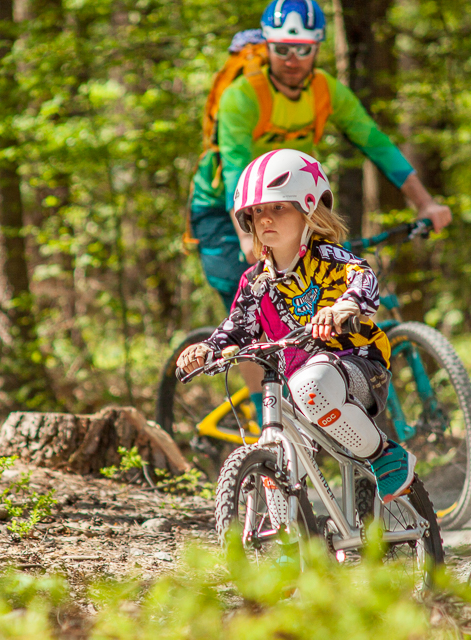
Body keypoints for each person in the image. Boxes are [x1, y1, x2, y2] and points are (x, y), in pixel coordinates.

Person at [188, 0, 451, 422]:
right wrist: (247, 236)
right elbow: (236, 166)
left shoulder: (326, 90)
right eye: (282, 49)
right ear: (267, 47)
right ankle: (268, 429)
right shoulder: (244, 95)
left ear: (317, 48)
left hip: (289, 199)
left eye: (303, 49)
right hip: (227, 208)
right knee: (256, 311)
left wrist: (425, 202)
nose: (292, 59)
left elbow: (374, 141)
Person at [178, 149, 416, 503]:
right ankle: (288, 535)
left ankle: (384, 453)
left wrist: (344, 307)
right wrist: (207, 349)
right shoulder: (256, 281)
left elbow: (362, 278)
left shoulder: (330, 258)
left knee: (310, 384)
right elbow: (237, 326)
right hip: (299, 384)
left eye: (278, 207)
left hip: (359, 369)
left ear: (309, 209)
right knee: (279, 453)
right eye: (257, 211)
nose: (265, 219)